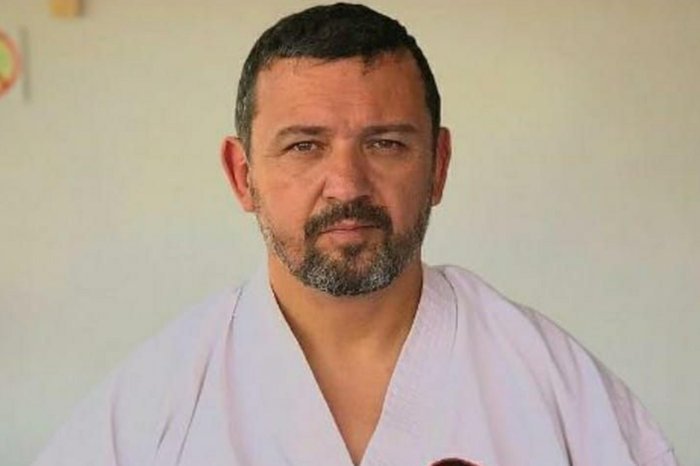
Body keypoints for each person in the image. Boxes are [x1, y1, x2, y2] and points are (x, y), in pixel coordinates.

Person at [34, 3, 678, 466]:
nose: (346, 184)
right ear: (242, 175)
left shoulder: (554, 387)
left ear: (438, 165)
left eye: (386, 143)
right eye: (304, 146)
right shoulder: (152, 408)